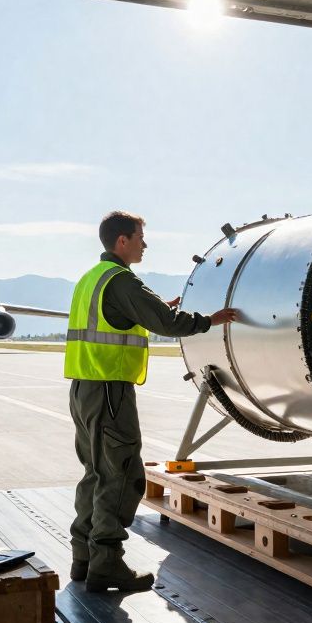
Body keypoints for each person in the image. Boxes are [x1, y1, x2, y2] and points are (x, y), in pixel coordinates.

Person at [64, 211, 238, 592]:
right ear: (121, 241)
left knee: (94, 472)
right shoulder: (123, 280)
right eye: (140, 236)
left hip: (83, 389)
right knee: (121, 474)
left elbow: (127, 316)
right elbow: (167, 323)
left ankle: (83, 558)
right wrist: (210, 320)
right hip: (111, 392)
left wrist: (160, 306)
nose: (145, 244)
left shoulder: (90, 279)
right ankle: (106, 564)